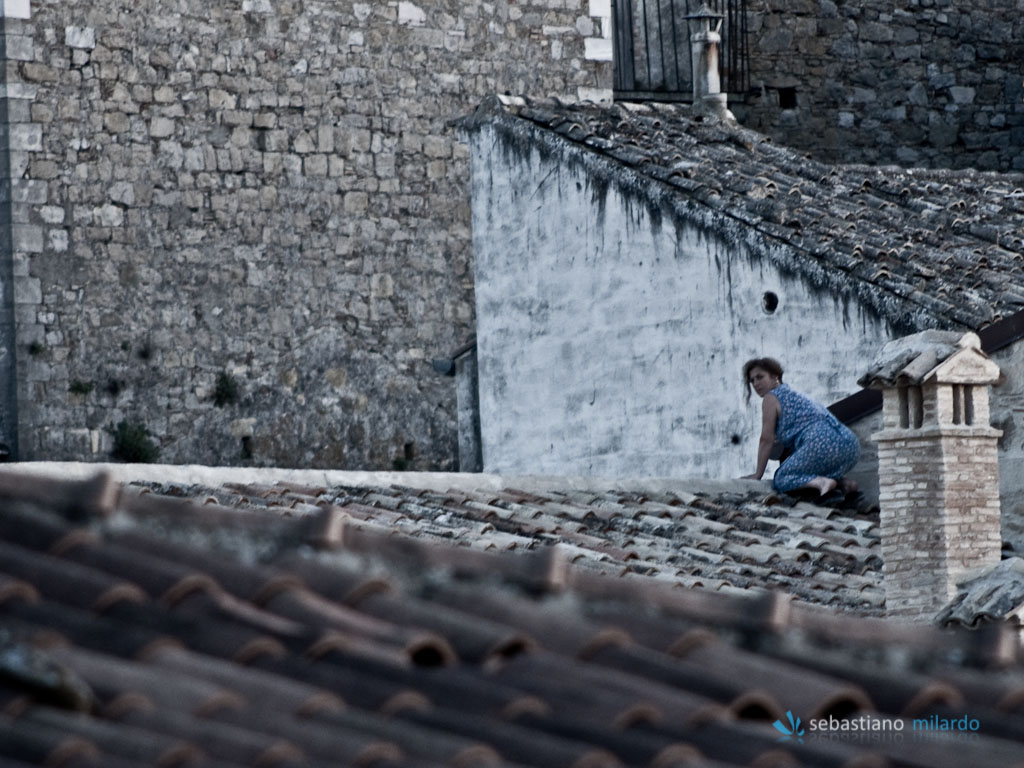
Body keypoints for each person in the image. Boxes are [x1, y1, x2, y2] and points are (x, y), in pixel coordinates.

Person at [741, 357, 860, 496]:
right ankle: (845, 483)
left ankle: (821, 483)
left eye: (760, 377)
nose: (755, 383)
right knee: (809, 469)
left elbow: (766, 439)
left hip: (822, 444)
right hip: (850, 444)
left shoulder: (771, 398)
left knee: (781, 478)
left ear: (775, 376)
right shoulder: (794, 394)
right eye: (752, 380)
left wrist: (757, 474)